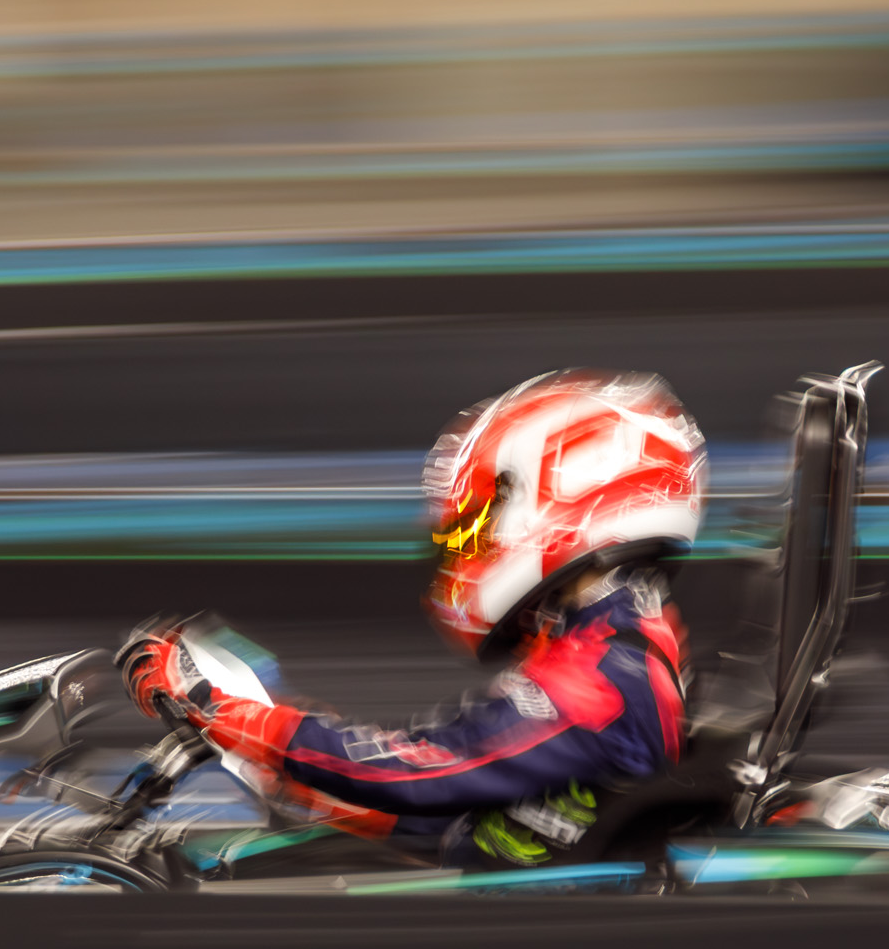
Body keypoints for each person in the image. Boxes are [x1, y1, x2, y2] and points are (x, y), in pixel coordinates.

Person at [116, 368, 704, 866]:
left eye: (474, 527)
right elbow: (451, 809)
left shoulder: (606, 675)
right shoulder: (605, 646)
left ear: (572, 495)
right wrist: (278, 765)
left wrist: (232, 715)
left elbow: (429, 774)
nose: (464, 549)